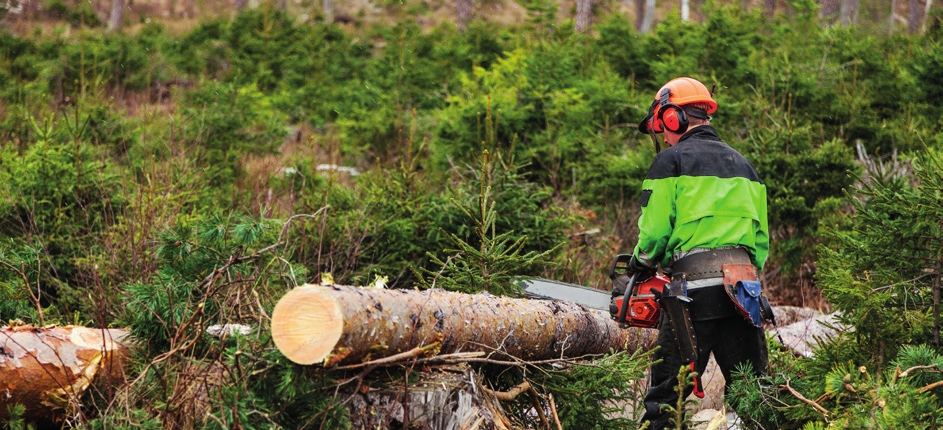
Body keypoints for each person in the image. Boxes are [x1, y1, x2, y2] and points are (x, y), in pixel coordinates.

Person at [613, 77, 770, 430]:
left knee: (666, 402)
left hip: (691, 296)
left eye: (662, 127)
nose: (664, 137)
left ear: (673, 118)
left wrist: (640, 262)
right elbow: (760, 243)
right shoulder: (745, 165)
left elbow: (653, 233)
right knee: (755, 397)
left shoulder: (671, 161)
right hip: (744, 293)